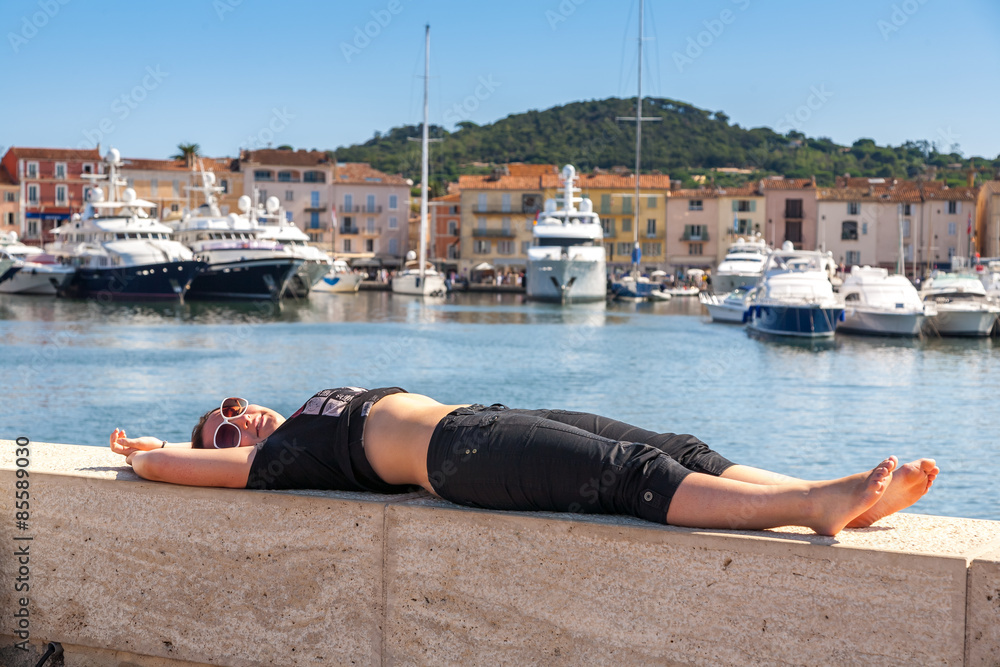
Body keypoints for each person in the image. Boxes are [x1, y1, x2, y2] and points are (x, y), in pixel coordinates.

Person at [109, 387, 939, 536]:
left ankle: (844, 499)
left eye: (226, 409)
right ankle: (811, 505)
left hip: (481, 418)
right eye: (222, 433)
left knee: (675, 450)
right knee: (628, 475)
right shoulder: (277, 458)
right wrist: (152, 451)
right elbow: (165, 471)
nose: (234, 421)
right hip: (460, 457)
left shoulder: (296, 415)